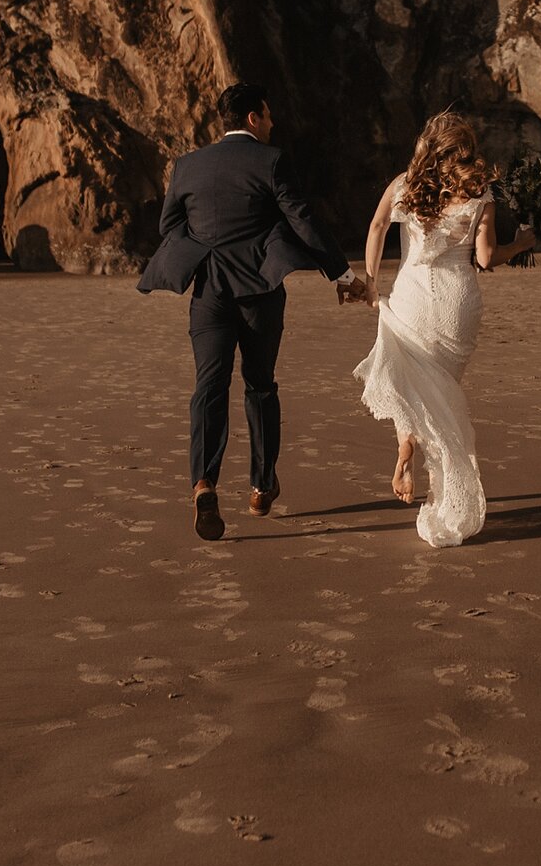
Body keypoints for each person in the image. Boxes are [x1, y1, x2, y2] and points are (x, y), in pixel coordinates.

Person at [138, 83, 369, 541]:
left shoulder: (188, 165)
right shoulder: (271, 161)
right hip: (261, 292)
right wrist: (342, 276)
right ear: (250, 119)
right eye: (266, 115)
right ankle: (262, 485)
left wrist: (206, 251)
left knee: (209, 385)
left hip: (210, 295)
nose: (271, 122)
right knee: (260, 386)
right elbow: (302, 217)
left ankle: (204, 482)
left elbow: (169, 226)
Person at [349, 111, 534, 547]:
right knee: (440, 389)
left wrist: (372, 281)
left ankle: (406, 449)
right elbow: (485, 259)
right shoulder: (479, 191)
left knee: (414, 383)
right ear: (464, 148)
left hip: (413, 295)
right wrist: (523, 244)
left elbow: (377, 227)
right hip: (458, 304)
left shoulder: (406, 185)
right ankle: (436, 472)